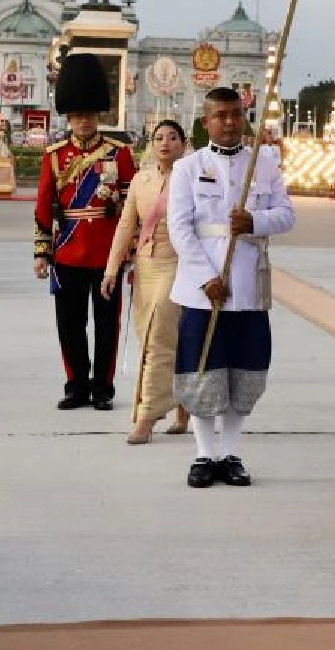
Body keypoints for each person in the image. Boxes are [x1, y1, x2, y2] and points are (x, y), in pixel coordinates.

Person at [170, 88, 295, 488]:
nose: (229, 122)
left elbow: (286, 215)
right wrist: (205, 277)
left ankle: (231, 451)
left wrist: (255, 221)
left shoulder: (265, 164)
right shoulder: (189, 167)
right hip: (201, 288)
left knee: (245, 370)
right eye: (220, 115)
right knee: (201, 370)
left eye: (236, 115)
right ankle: (204, 454)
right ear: (206, 121)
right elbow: (180, 227)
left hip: (247, 284)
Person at [33, 54, 137, 410]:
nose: (83, 122)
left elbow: (130, 207)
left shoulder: (119, 154)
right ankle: (76, 383)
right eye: (77, 117)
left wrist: (131, 251)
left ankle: (102, 388)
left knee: (106, 326)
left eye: (89, 116)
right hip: (67, 251)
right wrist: (41, 251)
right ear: (69, 118)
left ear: (98, 117)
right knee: (70, 325)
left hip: (107, 252)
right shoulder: (54, 156)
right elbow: (44, 206)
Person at [103, 120, 190, 444]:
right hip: (145, 266)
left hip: (178, 265)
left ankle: (147, 414)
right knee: (161, 340)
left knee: (157, 338)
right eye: (158, 138)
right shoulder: (142, 179)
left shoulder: (193, 178)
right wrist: (111, 270)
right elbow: (126, 226)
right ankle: (182, 404)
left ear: (183, 143)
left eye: (172, 137)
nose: (165, 143)